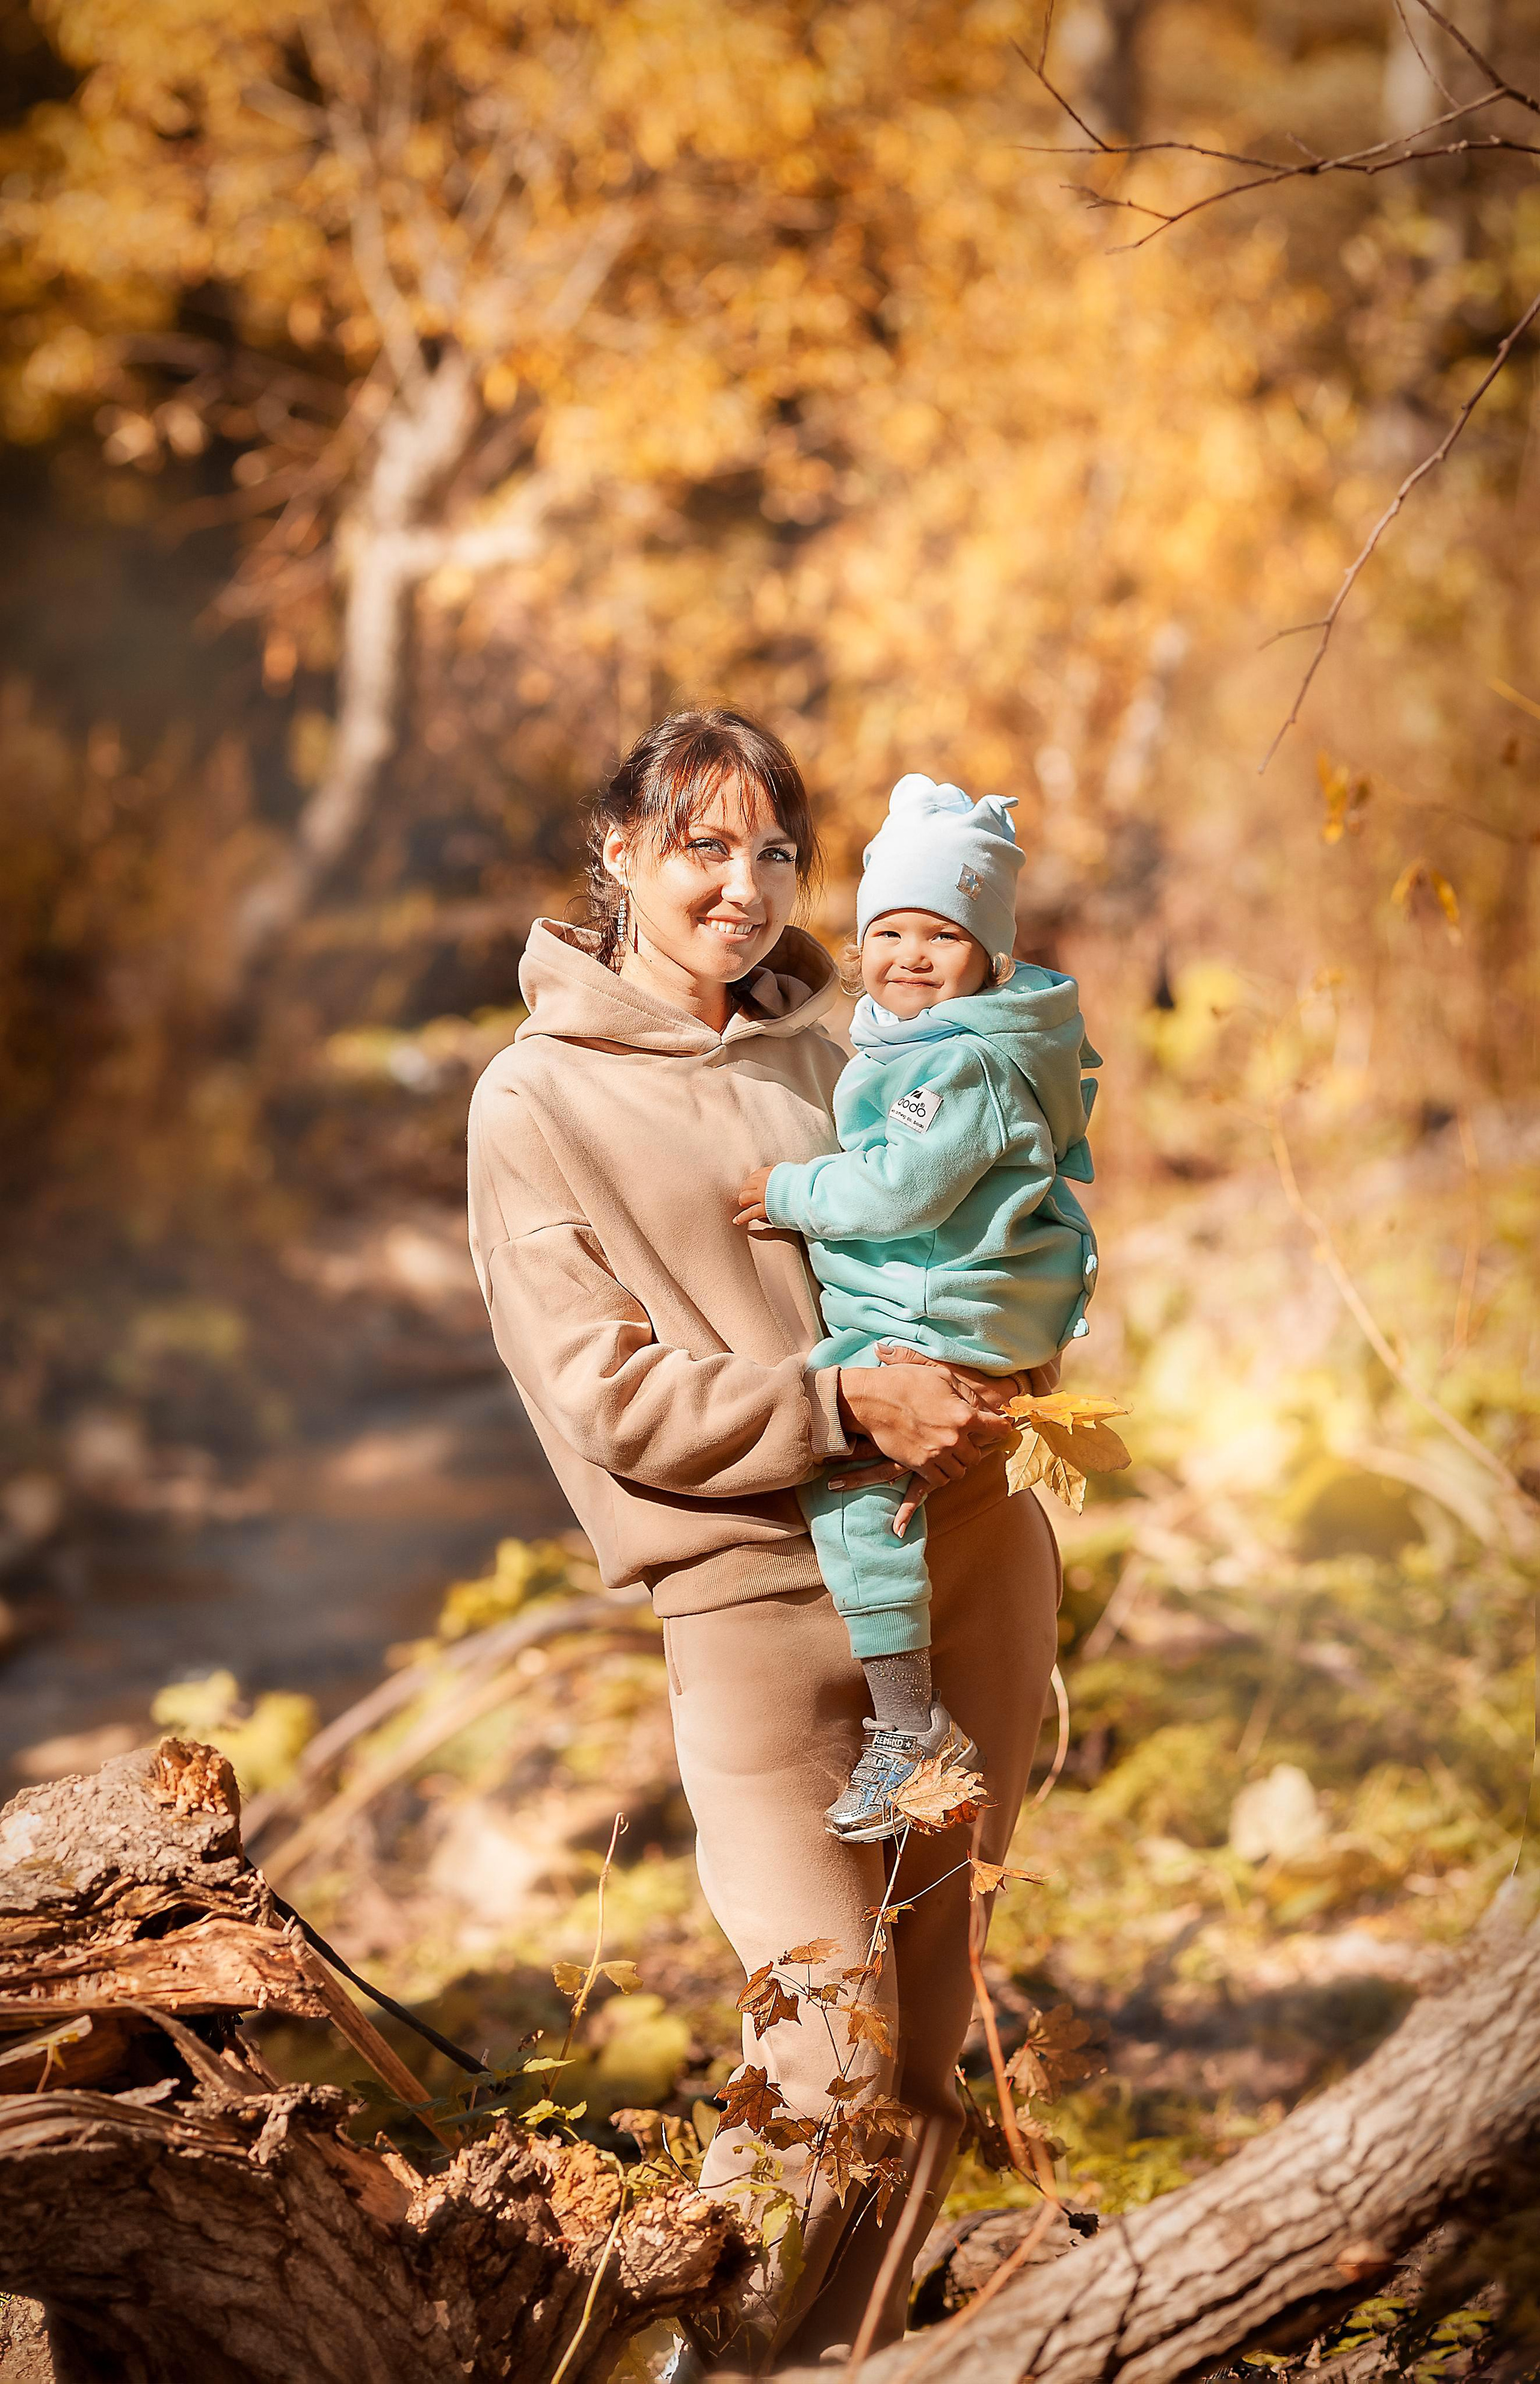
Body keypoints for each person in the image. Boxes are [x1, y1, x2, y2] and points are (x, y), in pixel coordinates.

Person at [467, 709, 1063, 2371]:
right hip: (754, 1611)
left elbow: (1000, 1201)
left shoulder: (857, 1031)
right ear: (620, 859)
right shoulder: (535, 1097)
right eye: (701, 848)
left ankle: (849, 2365)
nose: (745, 886)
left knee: (932, 2056)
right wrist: (845, 1400)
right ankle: (676, 2361)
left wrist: (1017, 1340)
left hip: (969, 1571)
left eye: (776, 851)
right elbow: (603, 1391)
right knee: (825, 2051)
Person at [733, 773, 1100, 1844]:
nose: (908, 956)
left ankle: (908, 1727)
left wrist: (789, 1194)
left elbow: (898, 1189)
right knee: (890, 1483)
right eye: (887, 930)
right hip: (951, 1287)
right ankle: (910, 1722)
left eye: (941, 935)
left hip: (936, 1307)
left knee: (857, 1489)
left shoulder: (958, 1065)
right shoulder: (933, 1042)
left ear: (991, 954)